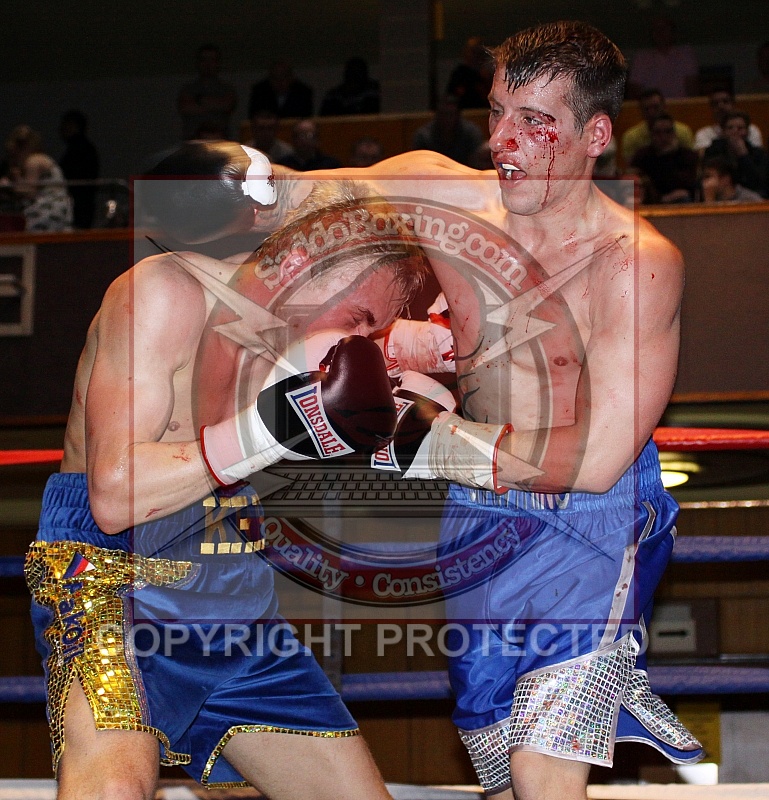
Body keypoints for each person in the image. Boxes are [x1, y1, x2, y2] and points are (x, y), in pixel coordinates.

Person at [154, 22, 704, 798]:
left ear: (596, 135)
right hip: (477, 513)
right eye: (497, 112)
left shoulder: (633, 264)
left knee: (543, 768)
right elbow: (309, 194)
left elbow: (598, 459)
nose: (502, 141)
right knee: (502, 767)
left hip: (590, 521)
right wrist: (243, 179)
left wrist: (423, 437)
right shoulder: (448, 197)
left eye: (534, 122)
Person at [26, 141, 430, 800]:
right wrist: (269, 431)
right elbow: (114, 495)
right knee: (115, 788)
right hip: (109, 578)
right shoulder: (164, 293)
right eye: (358, 319)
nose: (356, 342)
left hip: (230, 589)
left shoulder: (299, 351)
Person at [1, 124, 72, 232]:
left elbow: (29, 192)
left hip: (47, 210)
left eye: (13, 155)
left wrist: (8, 186)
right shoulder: (40, 159)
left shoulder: (33, 161)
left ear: (21, 149)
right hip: (58, 208)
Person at [629, 113, 700, 203]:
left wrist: (669, 156)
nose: (663, 137)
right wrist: (661, 198)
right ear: (651, 134)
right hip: (651, 201)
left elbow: (689, 183)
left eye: (667, 132)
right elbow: (639, 183)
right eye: (658, 132)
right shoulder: (642, 156)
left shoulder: (687, 156)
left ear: (674, 133)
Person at [627, 14, 699, 99]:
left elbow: (692, 87)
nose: (660, 32)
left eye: (664, 28)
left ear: (673, 32)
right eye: (656, 29)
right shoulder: (641, 58)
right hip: (652, 105)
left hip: (680, 105)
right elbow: (635, 88)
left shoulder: (685, 54)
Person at [177, 44, 238, 140]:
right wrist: (214, 105)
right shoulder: (187, 89)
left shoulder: (227, 89)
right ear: (198, 63)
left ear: (218, 63)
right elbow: (186, 107)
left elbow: (226, 105)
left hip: (220, 141)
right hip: (193, 141)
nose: (208, 64)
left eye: (212, 60)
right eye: (204, 60)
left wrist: (198, 101)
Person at [703, 110, 769, 197]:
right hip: (719, 194)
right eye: (730, 128)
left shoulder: (759, 154)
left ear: (747, 131)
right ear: (723, 131)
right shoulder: (713, 151)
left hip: (752, 196)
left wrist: (743, 155)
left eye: (740, 128)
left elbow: (759, 182)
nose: (735, 132)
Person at [620, 88, 694, 166]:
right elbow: (631, 168)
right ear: (641, 110)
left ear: (664, 107)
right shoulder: (631, 137)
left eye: (655, 107)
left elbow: (690, 162)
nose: (651, 112)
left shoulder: (683, 132)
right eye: (647, 109)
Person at [411, 94, 485, 167]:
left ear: (457, 115)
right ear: (437, 115)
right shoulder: (424, 136)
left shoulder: (471, 133)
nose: (446, 119)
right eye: (443, 114)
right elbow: (418, 164)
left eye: (450, 114)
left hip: (465, 172)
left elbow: (478, 163)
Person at [58, 109, 100, 229]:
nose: (61, 129)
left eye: (66, 124)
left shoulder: (80, 149)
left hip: (79, 203)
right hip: (82, 202)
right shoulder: (84, 148)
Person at [694, 88, 764, 156]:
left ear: (733, 104)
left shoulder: (752, 129)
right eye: (716, 103)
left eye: (725, 101)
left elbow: (758, 156)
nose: (721, 106)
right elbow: (702, 157)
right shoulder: (703, 133)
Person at [248, 60, 314, 119]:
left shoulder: (303, 92)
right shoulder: (260, 91)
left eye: (283, 77)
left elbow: (306, 118)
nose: (279, 82)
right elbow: (254, 117)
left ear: (291, 78)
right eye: (275, 78)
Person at [446, 35, 494, 110]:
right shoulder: (459, 74)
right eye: (473, 52)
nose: (476, 55)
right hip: (465, 113)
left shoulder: (488, 75)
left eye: (479, 52)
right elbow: (451, 97)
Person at [700, 155, 765, 202]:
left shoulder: (749, 199)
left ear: (725, 179)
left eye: (708, 177)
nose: (704, 183)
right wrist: (709, 200)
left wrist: (710, 201)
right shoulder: (710, 197)